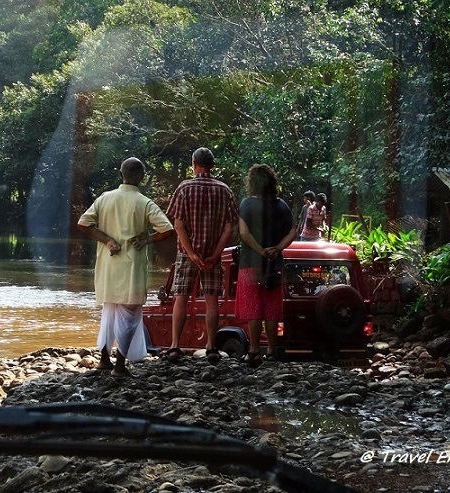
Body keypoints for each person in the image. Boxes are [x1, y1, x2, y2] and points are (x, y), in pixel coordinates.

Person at [77, 157, 175, 378]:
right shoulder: (144, 202)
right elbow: (168, 230)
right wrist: (147, 239)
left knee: (109, 313)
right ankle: (120, 366)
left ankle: (104, 360)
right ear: (141, 177)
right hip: (131, 269)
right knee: (129, 317)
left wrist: (107, 240)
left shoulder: (105, 198)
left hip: (108, 268)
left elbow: (83, 224)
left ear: (121, 175)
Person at [164, 147, 239, 364]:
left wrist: (191, 253)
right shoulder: (224, 190)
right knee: (212, 300)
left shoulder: (184, 188)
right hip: (212, 254)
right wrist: (216, 253)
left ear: (194, 163)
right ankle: (211, 346)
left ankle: (175, 345)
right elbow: (229, 227)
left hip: (187, 253)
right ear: (212, 165)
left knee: (181, 297)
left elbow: (178, 225)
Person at [235, 164, 296, 367]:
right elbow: (292, 232)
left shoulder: (246, 204)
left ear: (252, 183)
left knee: (253, 307)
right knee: (271, 309)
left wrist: (259, 250)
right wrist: (276, 249)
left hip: (250, 263)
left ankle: (253, 351)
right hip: (274, 265)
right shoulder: (282, 206)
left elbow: (244, 233)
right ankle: (271, 351)